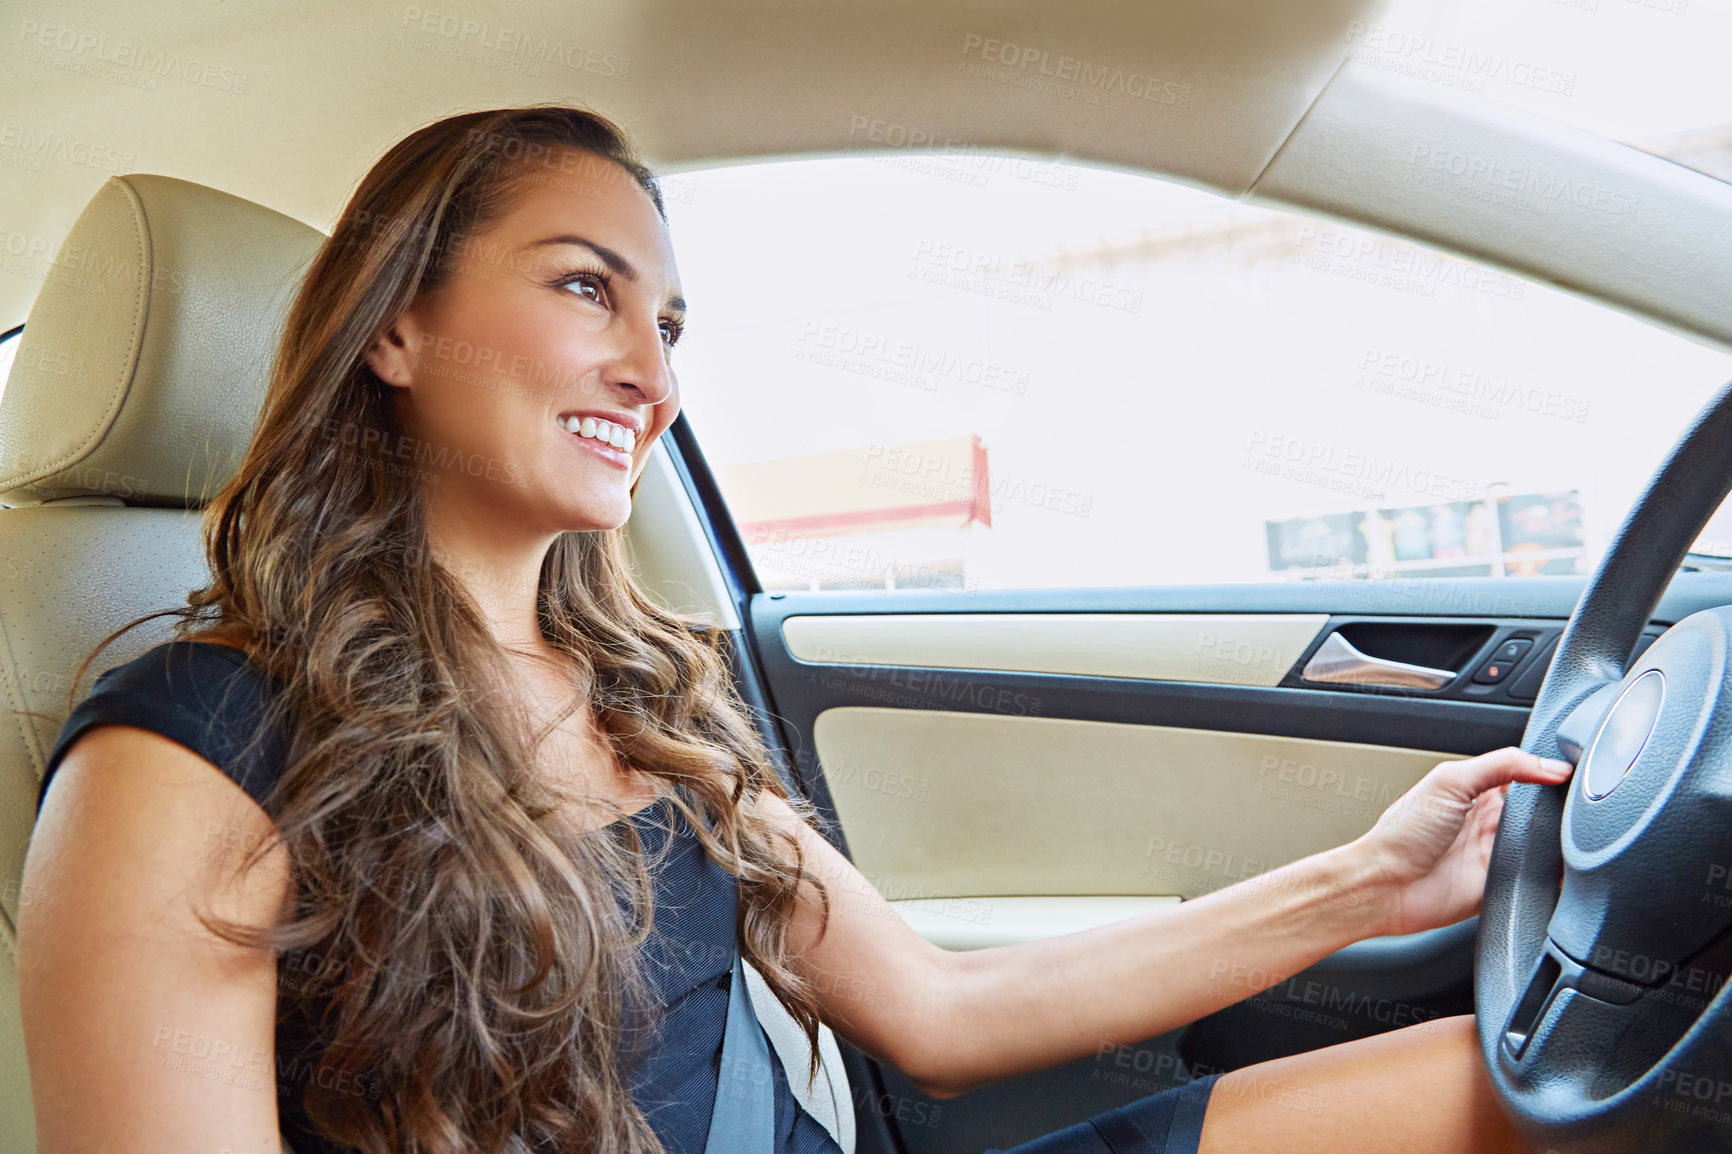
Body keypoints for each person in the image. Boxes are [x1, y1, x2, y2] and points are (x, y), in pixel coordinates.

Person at [17, 105, 1573, 1154]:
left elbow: (948, 1016)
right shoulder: (191, 750)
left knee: (1542, 1093)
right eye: (586, 290)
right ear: (397, 324)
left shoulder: (640, 686)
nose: (653, 374)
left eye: (671, 326)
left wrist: (1371, 878)